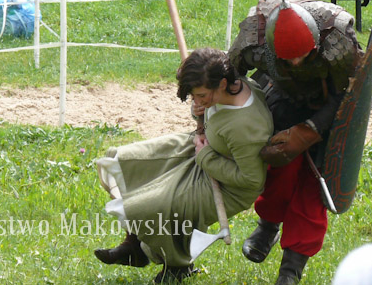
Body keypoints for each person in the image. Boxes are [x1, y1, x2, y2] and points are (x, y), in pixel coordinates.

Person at [93, 47, 273, 283]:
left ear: (222, 83)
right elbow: (214, 118)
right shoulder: (228, 88)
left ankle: (177, 266)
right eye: (193, 96)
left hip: (228, 186)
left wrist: (205, 156)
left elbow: (252, 181)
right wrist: (199, 111)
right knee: (125, 162)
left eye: (201, 96)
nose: (197, 100)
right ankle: (134, 246)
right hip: (202, 151)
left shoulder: (246, 127)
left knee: (152, 207)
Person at [229, 0, 361, 285]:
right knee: (280, 169)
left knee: (312, 187)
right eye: (288, 58)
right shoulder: (254, 39)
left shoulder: (337, 38)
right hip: (283, 98)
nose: (296, 62)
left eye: (302, 55)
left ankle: (291, 270)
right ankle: (267, 227)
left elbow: (351, 92)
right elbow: (228, 76)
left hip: (329, 110)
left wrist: (311, 130)